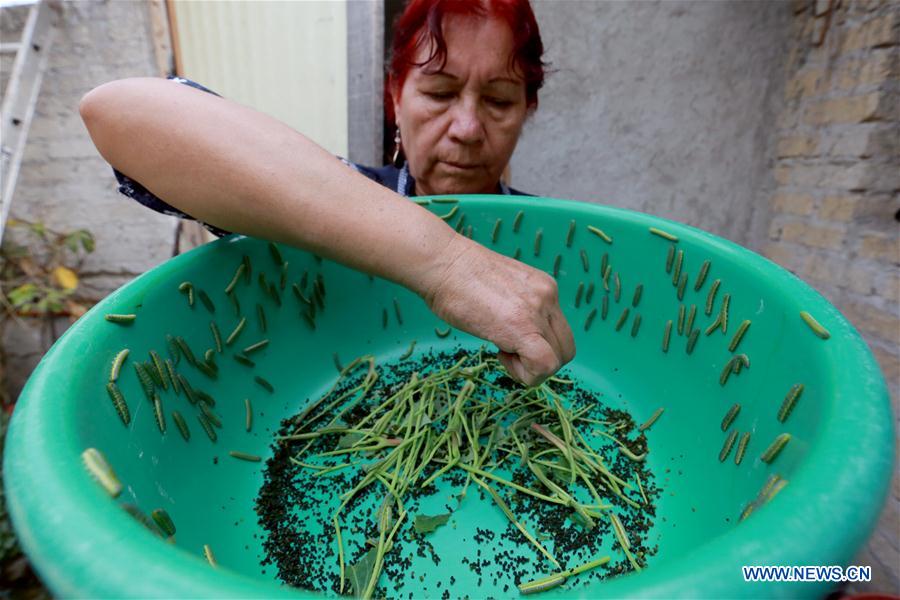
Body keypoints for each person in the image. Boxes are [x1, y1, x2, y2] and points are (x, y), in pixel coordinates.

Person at [79, 0, 574, 386]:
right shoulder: (342, 203)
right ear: (395, 96)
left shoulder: (559, 244)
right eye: (440, 93)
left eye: (499, 100)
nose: (467, 127)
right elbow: (117, 112)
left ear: (527, 109)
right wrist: (448, 264)